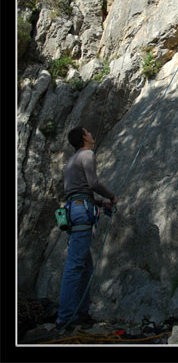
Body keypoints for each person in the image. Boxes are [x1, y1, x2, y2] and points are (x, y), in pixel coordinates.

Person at [55, 126, 118, 330]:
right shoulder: (87, 154)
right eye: (88, 132)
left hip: (74, 210)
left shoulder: (71, 161)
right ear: (84, 137)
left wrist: (100, 204)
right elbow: (93, 183)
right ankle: (65, 317)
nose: (92, 134)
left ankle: (81, 313)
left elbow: (78, 191)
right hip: (81, 212)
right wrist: (111, 196)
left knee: (85, 267)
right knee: (75, 265)